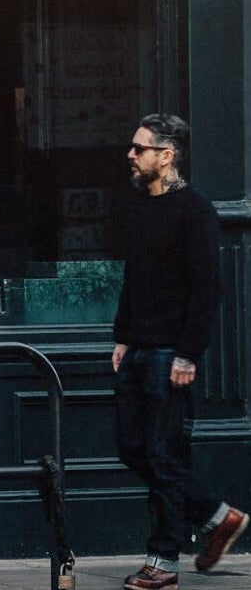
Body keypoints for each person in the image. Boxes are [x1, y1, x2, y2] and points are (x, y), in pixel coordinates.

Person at [113, 113, 245, 590]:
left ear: (166, 156)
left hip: (171, 353)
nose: (131, 154)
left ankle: (163, 562)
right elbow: (135, 278)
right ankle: (216, 516)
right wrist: (123, 335)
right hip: (139, 349)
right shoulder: (140, 208)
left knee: (164, 456)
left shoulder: (195, 211)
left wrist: (188, 354)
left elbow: (206, 289)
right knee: (131, 448)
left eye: (140, 147)